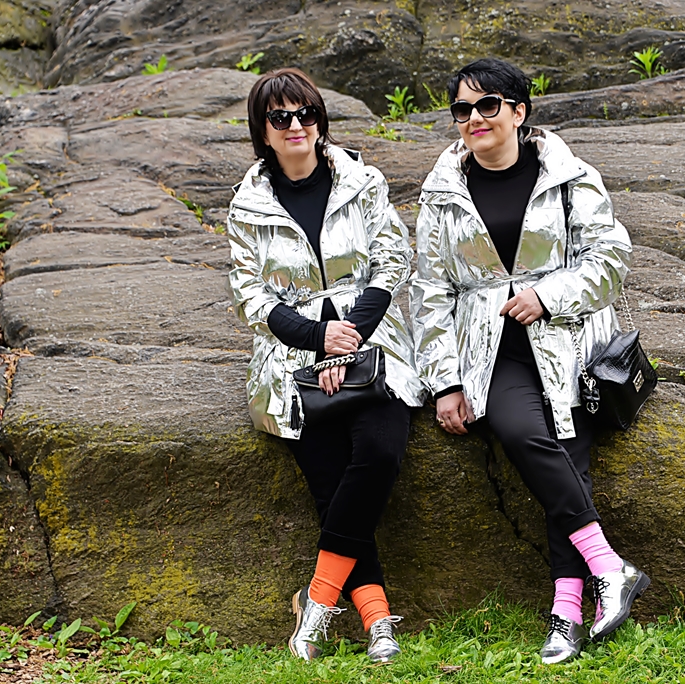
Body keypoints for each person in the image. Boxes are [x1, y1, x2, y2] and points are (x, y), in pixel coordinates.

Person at [410, 58, 649, 665]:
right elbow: (430, 290)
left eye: (488, 105)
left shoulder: (571, 177)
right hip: (491, 350)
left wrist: (548, 295)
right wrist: (445, 382)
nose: (474, 119)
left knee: (569, 460)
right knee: (521, 432)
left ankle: (567, 614)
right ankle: (608, 566)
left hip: (569, 342)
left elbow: (610, 258)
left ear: (519, 111)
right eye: (462, 110)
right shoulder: (441, 193)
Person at [227, 68, 424, 663]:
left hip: (374, 341)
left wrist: (349, 340)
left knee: (380, 452)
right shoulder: (247, 205)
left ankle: (316, 602)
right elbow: (252, 297)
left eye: (306, 113)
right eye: (280, 117)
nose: (296, 125)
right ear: (263, 131)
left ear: (320, 120)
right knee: (331, 481)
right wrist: (318, 341)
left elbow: (393, 261)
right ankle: (378, 619)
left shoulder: (363, 182)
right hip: (293, 357)